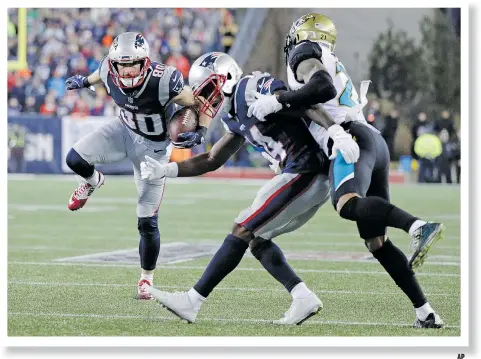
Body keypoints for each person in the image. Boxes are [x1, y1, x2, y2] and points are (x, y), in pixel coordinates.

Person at [248, 13, 445, 328]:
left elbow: (322, 87)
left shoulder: (305, 52)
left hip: (350, 139)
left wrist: (278, 99)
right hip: (370, 141)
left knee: (346, 203)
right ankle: (426, 312)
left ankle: (418, 226)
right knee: (376, 242)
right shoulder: (328, 56)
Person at [140, 51, 357, 325]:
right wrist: (167, 170)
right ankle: (302, 296)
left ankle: (193, 301)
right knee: (256, 239)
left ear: (226, 79)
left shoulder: (252, 87)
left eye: (208, 88)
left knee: (242, 228)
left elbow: (305, 102)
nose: (205, 99)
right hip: (300, 175)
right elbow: (211, 159)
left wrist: (335, 131)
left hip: (306, 171)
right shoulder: (232, 114)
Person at [63, 32, 208, 300]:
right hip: (122, 130)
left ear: (146, 62)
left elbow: (197, 102)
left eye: (133, 64)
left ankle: (146, 279)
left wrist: (200, 129)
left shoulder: (165, 79)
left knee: (147, 222)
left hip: (152, 149)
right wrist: (84, 81)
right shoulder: (109, 66)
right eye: (122, 64)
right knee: (74, 159)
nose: (127, 70)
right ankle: (93, 181)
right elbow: (100, 73)